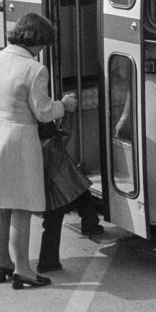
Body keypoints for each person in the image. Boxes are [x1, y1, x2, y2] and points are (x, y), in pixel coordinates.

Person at [0, 13, 77, 290]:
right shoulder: (35, 69)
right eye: (43, 44)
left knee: (0, 206)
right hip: (18, 138)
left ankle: (2, 263)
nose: (42, 50)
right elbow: (42, 112)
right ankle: (23, 270)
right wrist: (64, 105)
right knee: (21, 208)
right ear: (37, 41)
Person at [37, 115, 103, 273]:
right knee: (85, 198)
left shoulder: (32, 148)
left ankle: (48, 261)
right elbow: (67, 130)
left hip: (49, 194)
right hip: (69, 187)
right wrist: (69, 111)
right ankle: (90, 226)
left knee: (51, 227)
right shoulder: (56, 143)